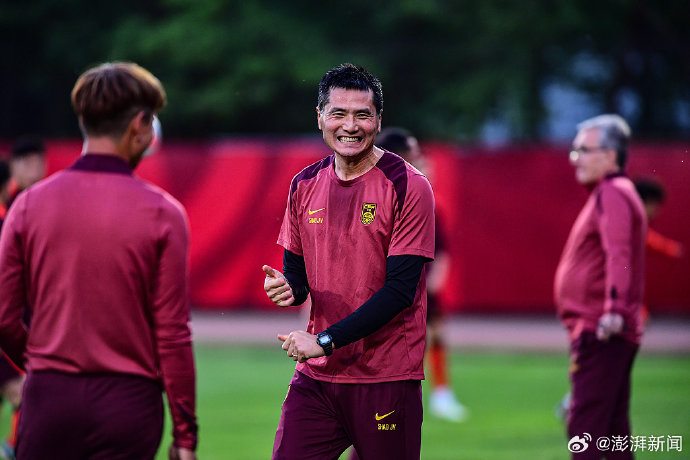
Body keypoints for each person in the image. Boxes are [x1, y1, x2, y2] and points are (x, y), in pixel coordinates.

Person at [0, 62, 197, 460]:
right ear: (139, 124)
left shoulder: (27, 206)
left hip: (48, 400)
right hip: (128, 406)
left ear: (83, 120)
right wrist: (185, 435)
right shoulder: (164, 213)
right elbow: (172, 334)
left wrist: (43, 364)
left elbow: (4, 317)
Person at [262, 63, 435, 460]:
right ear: (320, 117)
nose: (350, 126)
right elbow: (297, 279)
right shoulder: (304, 184)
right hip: (317, 378)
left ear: (378, 120)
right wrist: (287, 289)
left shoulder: (409, 185)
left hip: (385, 377)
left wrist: (323, 341)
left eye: (362, 115)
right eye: (338, 113)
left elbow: (400, 291)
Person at [554, 114, 646, 459]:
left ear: (609, 155)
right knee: (612, 432)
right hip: (605, 329)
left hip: (601, 330)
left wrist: (614, 309)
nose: (574, 159)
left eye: (583, 150)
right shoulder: (615, 192)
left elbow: (618, 253)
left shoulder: (612, 192)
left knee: (585, 429)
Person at [376, 127, 468, 422]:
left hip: (418, 284)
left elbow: (441, 248)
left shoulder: (428, 202)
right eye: (416, 158)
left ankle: (441, 394)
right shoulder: (379, 199)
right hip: (388, 288)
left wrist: (433, 280)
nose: (424, 167)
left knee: (433, 334)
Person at [7, 136, 46, 206]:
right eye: (28, 164)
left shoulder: (48, 200)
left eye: (38, 165)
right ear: (13, 165)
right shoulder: (5, 200)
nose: (34, 174)